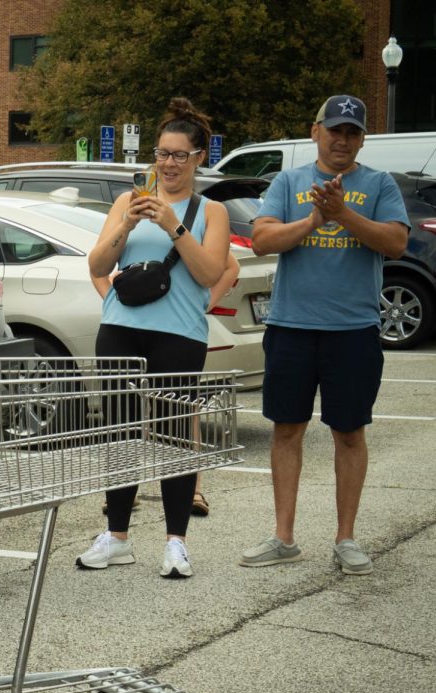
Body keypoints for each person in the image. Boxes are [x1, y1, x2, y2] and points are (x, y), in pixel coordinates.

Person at [238, 94, 408, 576]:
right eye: (334, 130)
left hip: (353, 330)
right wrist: (314, 219)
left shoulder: (378, 184)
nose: (342, 139)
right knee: (286, 428)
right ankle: (283, 537)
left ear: (362, 139)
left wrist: (343, 215)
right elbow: (262, 239)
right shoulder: (289, 182)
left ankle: (346, 539)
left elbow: (395, 242)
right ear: (316, 132)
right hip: (291, 327)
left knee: (349, 433)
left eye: (352, 132)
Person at [78, 97, 231, 579]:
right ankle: (117, 536)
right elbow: (98, 266)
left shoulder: (211, 211)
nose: (167, 164)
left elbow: (209, 273)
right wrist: (126, 224)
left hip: (179, 334)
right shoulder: (127, 201)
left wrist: (174, 225)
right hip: (122, 330)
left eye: (179, 155)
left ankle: (175, 542)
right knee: (120, 431)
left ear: (199, 157)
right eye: (161, 154)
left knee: (171, 436)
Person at [92, 251, 240, 518]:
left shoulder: (192, 220)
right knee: (125, 417)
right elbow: (96, 266)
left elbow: (230, 266)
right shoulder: (130, 222)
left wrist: (204, 303)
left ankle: (192, 488)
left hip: (179, 332)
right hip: (129, 330)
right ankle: (123, 491)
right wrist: (110, 301)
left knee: (180, 413)